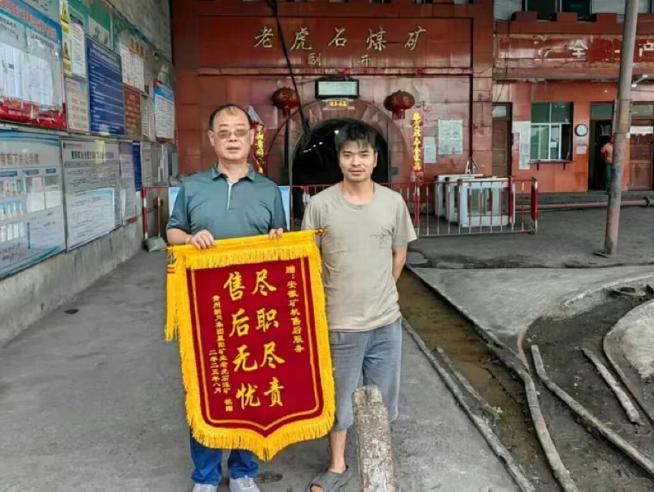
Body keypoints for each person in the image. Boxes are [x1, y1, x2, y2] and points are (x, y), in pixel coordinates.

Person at [167, 103, 285, 492]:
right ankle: (204, 475)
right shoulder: (193, 187)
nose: (233, 139)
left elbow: (281, 241)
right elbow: (172, 232)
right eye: (224, 132)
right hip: (205, 305)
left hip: (254, 308)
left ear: (251, 138)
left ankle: (243, 471)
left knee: (252, 386)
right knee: (205, 386)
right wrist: (190, 238)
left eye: (239, 132)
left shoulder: (269, 190)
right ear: (212, 139)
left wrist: (276, 239)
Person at [301, 121, 417, 492]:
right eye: (348, 155)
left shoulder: (392, 203)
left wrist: (382, 291)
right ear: (339, 160)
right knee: (339, 403)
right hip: (340, 324)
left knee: (382, 400)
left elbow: (399, 254)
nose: (356, 162)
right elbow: (308, 262)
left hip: (386, 323)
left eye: (363, 155)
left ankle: (376, 464)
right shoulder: (320, 206)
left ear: (375, 159)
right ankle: (337, 466)